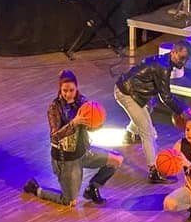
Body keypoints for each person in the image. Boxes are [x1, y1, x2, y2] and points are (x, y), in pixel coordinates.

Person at [24, 70, 123, 206]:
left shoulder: (83, 102)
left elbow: (90, 127)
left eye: (71, 90)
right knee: (70, 201)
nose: (68, 94)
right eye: (64, 90)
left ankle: (92, 188)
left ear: (77, 88)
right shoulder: (54, 108)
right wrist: (73, 123)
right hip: (67, 160)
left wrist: (96, 123)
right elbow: (55, 136)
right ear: (60, 89)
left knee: (116, 160)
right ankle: (35, 189)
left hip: (84, 152)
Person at [115, 40, 191, 183]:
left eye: (186, 59)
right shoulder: (163, 67)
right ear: (173, 52)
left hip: (134, 92)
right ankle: (154, 171)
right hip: (126, 93)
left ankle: (130, 133)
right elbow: (166, 97)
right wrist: (182, 111)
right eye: (182, 58)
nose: (184, 62)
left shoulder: (164, 62)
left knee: (149, 107)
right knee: (148, 133)